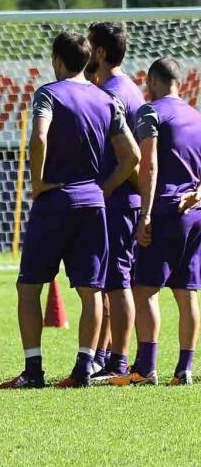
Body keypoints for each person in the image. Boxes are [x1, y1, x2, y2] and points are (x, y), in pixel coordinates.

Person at [3, 31, 138, 389]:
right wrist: (104, 188)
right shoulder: (107, 100)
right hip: (93, 204)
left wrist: (37, 182)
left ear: (58, 62)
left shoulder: (48, 93)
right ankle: (83, 369)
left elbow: (40, 136)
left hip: (56, 201)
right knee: (91, 290)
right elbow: (133, 156)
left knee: (29, 287)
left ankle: (33, 371)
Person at [111, 58, 201, 387]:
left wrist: (145, 213)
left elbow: (148, 166)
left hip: (163, 208)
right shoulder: (197, 116)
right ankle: (184, 370)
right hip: (194, 212)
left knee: (145, 288)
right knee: (187, 291)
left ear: (151, 82)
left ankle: (145, 369)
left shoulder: (151, 113)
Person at [85, 22, 143, 381]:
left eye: (91, 46)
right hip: (125, 199)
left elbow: (132, 157)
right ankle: (106, 356)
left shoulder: (112, 94)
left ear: (101, 52)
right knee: (110, 280)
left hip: (120, 200)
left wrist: (105, 188)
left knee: (118, 280)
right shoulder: (128, 88)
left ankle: (119, 361)